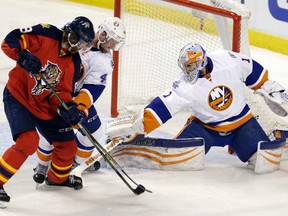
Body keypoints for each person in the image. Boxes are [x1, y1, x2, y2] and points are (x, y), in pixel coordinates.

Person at [105, 43, 288, 173]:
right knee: (175, 156)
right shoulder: (183, 84)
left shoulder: (227, 60)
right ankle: (128, 149)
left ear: (201, 61)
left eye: (190, 65)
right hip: (205, 128)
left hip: (242, 124)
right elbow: (161, 109)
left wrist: (267, 86)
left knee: (265, 161)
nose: (186, 70)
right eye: (185, 66)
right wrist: (135, 126)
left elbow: (254, 72)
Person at [0, 16, 95, 208]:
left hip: (43, 104)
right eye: (77, 39)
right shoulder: (47, 33)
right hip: (19, 96)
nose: (78, 46)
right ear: (69, 32)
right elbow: (10, 40)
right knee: (28, 141)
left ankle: (56, 179)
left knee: (68, 145)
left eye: (83, 44)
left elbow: (62, 92)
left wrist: (68, 107)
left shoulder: (74, 62)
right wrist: (21, 55)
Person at [33, 17, 126, 183]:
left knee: (94, 132)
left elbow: (93, 88)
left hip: (72, 96)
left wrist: (80, 106)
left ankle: (73, 163)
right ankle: (42, 165)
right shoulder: (79, 33)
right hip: (51, 89)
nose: (112, 46)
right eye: (111, 40)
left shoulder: (104, 61)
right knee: (49, 127)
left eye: (116, 43)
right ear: (102, 33)